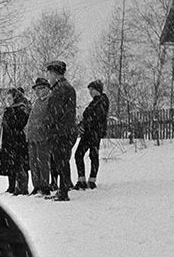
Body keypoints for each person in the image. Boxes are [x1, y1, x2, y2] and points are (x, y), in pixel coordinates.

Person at [44, 60, 78, 202]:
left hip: (61, 131)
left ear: (54, 74)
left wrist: (48, 126)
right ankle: (62, 189)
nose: (48, 79)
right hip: (66, 130)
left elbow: (54, 113)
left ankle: (63, 191)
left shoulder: (60, 89)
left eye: (49, 75)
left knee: (61, 161)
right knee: (62, 161)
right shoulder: (66, 88)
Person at [74, 79, 110, 190]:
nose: (90, 92)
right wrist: (82, 124)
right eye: (89, 90)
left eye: (92, 90)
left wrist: (85, 124)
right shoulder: (95, 101)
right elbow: (88, 117)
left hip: (94, 132)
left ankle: (91, 180)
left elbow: (96, 117)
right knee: (79, 154)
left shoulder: (102, 101)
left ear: (97, 90)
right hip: (88, 132)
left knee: (92, 155)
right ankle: (82, 179)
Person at [0, 87, 31, 195]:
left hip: (17, 139)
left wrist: (11, 113)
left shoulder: (21, 108)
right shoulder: (8, 109)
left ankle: (22, 187)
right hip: (8, 140)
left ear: (15, 97)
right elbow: (4, 126)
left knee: (19, 164)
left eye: (9, 98)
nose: (7, 100)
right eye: (6, 98)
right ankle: (11, 186)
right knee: (9, 163)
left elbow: (20, 124)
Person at [24, 78, 52, 195]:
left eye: (40, 88)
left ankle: (45, 185)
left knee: (43, 162)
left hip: (43, 137)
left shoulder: (50, 100)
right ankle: (36, 185)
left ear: (46, 88)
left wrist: (44, 129)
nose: (37, 91)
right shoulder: (37, 102)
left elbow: (50, 119)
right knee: (33, 163)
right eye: (36, 89)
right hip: (32, 137)